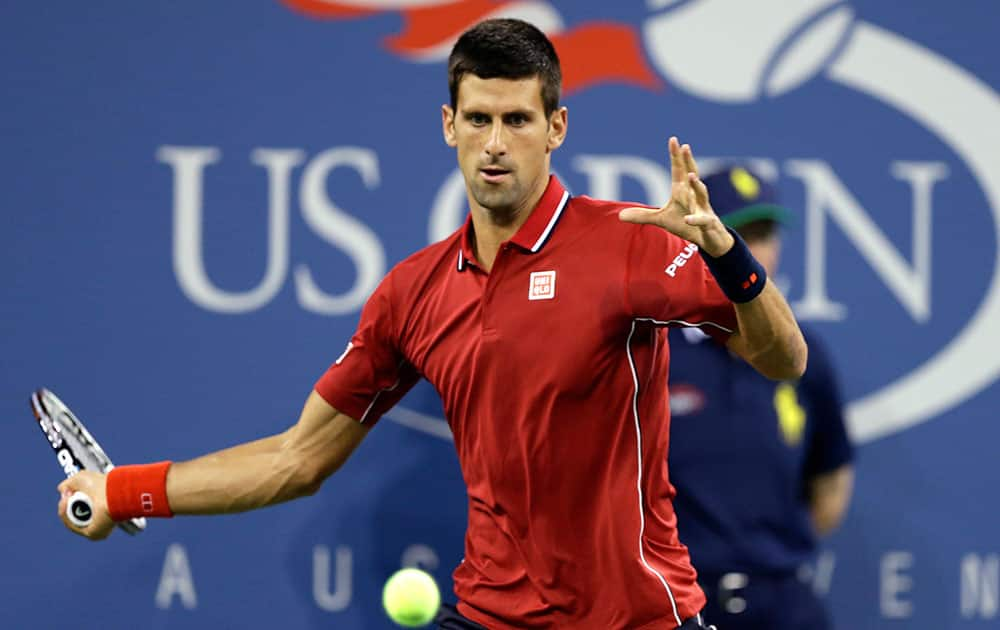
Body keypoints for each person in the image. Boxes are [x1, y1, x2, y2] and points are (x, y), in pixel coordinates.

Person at [57, 19, 807, 630]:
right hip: (490, 615)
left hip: (635, 619)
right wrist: (124, 492)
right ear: (449, 125)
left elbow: (784, 359)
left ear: (556, 128)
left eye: (518, 120)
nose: (495, 143)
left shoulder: (627, 243)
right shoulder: (412, 294)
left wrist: (729, 256)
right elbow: (297, 458)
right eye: (478, 119)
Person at [667, 166, 855, 630]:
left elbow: (830, 482)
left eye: (763, 235)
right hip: (676, 602)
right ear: (694, 242)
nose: (753, 253)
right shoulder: (652, 352)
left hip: (784, 603)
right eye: (734, 235)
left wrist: (768, 557)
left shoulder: (801, 356)